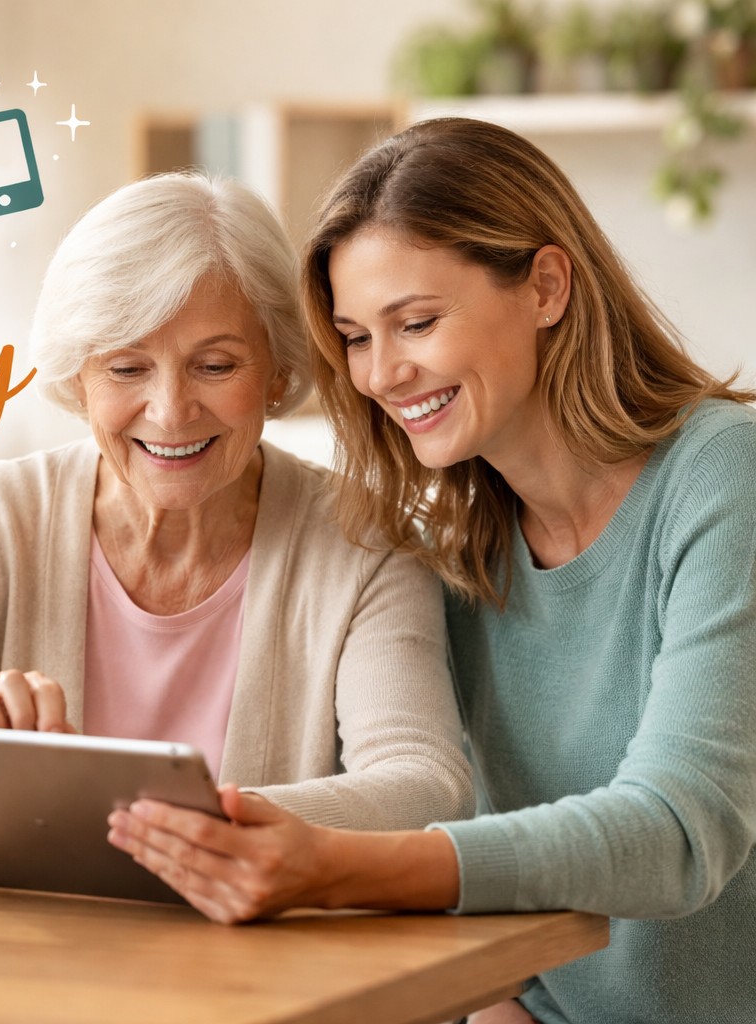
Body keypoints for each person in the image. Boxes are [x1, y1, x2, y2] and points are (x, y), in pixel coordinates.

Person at [105, 120, 756, 1024]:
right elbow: (508, 877)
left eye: (416, 322)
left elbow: (679, 834)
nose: (382, 373)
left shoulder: (727, 479)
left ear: (547, 287)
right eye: (355, 337)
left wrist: (340, 866)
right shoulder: (456, 545)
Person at [0, 172, 472, 860]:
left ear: (279, 371)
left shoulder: (365, 540)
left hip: (261, 971)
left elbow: (425, 788)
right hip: (19, 965)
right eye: (127, 369)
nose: (170, 412)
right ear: (78, 379)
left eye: (216, 366)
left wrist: (174, 821)